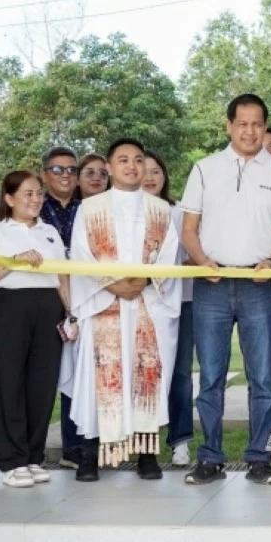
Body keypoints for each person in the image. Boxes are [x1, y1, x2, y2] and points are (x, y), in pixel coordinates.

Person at [180, 94, 271, 485]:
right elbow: (189, 230)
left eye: (257, 123)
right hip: (212, 286)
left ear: (265, 127)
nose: (250, 131)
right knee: (211, 375)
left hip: (258, 285)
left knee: (263, 377)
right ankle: (210, 458)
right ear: (229, 125)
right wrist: (201, 260)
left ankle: (258, 458)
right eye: (242, 123)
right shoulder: (204, 169)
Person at [65, 139, 181, 483]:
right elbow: (81, 256)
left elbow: (170, 257)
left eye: (138, 160)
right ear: (111, 167)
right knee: (98, 380)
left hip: (148, 305)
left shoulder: (160, 210)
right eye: (123, 160)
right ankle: (90, 453)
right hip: (103, 305)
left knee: (145, 378)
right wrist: (113, 285)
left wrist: (144, 279)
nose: (132, 166)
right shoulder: (90, 208)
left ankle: (146, 454)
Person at [0, 171, 69, 488]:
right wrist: (14, 261)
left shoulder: (51, 232)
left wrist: (72, 314)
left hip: (48, 309)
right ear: (9, 198)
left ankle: (32, 456)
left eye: (39, 193)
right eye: (27, 193)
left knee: (41, 385)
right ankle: (10, 460)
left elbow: (62, 278)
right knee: (7, 384)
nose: (36, 199)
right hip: (10, 308)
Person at [142, 150, 196, 467]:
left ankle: (180, 441)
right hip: (138, 302)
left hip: (182, 302)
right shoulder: (128, 213)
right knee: (144, 374)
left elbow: (194, 253)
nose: (150, 177)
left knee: (180, 374)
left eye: (156, 172)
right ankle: (143, 445)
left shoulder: (179, 213)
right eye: (144, 171)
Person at [39, 146, 86, 470]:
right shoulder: (34, 207)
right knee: (39, 376)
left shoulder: (88, 209)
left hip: (81, 298)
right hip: (41, 299)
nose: (66, 175)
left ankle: (75, 448)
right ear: (45, 174)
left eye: (71, 169)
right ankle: (31, 450)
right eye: (58, 169)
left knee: (78, 373)